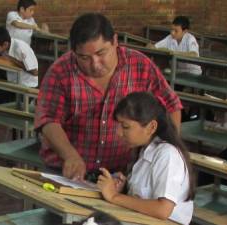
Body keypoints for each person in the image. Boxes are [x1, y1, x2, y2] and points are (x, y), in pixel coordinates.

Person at [35, 13, 182, 181]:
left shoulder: (139, 66)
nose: (95, 64)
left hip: (120, 175)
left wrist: (168, 152)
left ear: (115, 41)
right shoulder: (61, 71)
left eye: (101, 53)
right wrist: (70, 155)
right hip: (67, 172)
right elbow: (48, 119)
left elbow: (171, 105)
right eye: (84, 57)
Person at [97, 92, 194, 225]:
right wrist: (125, 189)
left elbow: (163, 210)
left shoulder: (167, 154)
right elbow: (144, 199)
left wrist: (114, 196)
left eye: (125, 127)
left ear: (151, 127)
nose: (119, 133)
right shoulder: (143, 151)